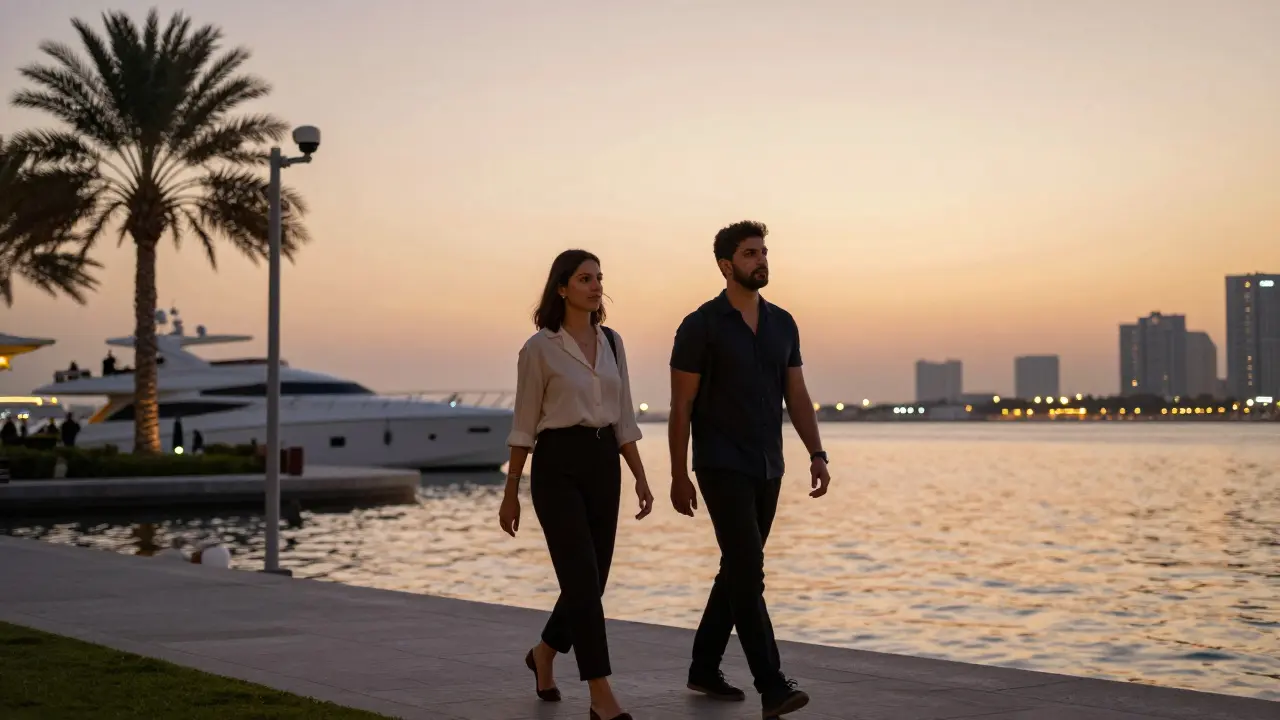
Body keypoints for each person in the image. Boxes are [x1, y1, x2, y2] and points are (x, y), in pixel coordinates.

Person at [668, 220, 831, 718]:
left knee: (737, 569)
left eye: (763, 251)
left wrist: (817, 453)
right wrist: (678, 474)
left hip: (769, 465)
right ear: (726, 265)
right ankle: (772, 685)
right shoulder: (700, 326)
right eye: (749, 253)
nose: (761, 260)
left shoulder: (784, 323)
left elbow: (797, 396)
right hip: (720, 463)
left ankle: (703, 667)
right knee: (749, 571)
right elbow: (681, 406)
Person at [499, 249, 653, 720]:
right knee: (582, 580)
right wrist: (511, 494)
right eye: (585, 278)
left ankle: (544, 653)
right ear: (562, 287)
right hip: (558, 466)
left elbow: (623, 414)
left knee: (593, 580)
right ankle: (600, 693)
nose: (595, 286)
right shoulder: (539, 348)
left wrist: (641, 475)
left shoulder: (613, 343)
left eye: (599, 278)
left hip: (605, 463)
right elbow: (524, 424)